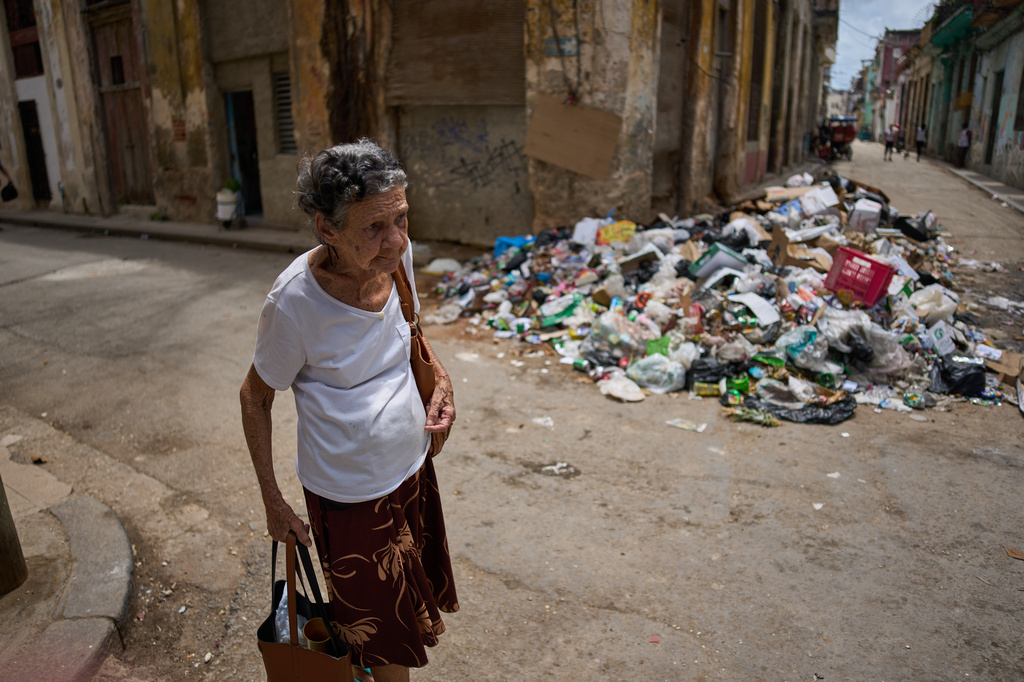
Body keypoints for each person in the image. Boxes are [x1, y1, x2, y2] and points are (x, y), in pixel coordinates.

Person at [240, 139, 458, 682]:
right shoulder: (294, 303)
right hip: (351, 497)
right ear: (326, 229)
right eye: (375, 228)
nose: (397, 241)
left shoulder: (395, 254)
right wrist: (274, 502)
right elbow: (255, 397)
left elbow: (411, 333)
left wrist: (443, 383)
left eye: (402, 219)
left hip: (411, 474)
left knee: (398, 620)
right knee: (383, 644)